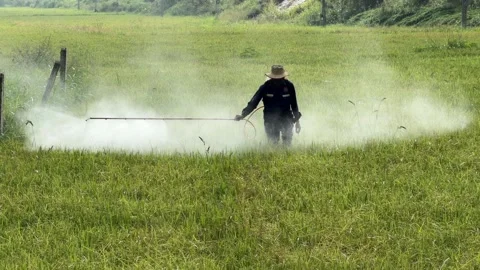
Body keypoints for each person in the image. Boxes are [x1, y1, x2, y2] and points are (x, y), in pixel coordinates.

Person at [234, 65, 301, 145]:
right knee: (273, 143)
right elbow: (253, 102)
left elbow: (294, 105)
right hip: (270, 120)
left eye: (280, 78)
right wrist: (243, 115)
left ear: (283, 77)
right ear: (272, 78)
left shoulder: (289, 86)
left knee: (287, 144)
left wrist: (297, 122)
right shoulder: (265, 87)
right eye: (276, 79)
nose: (278, 81)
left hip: (286, 118)